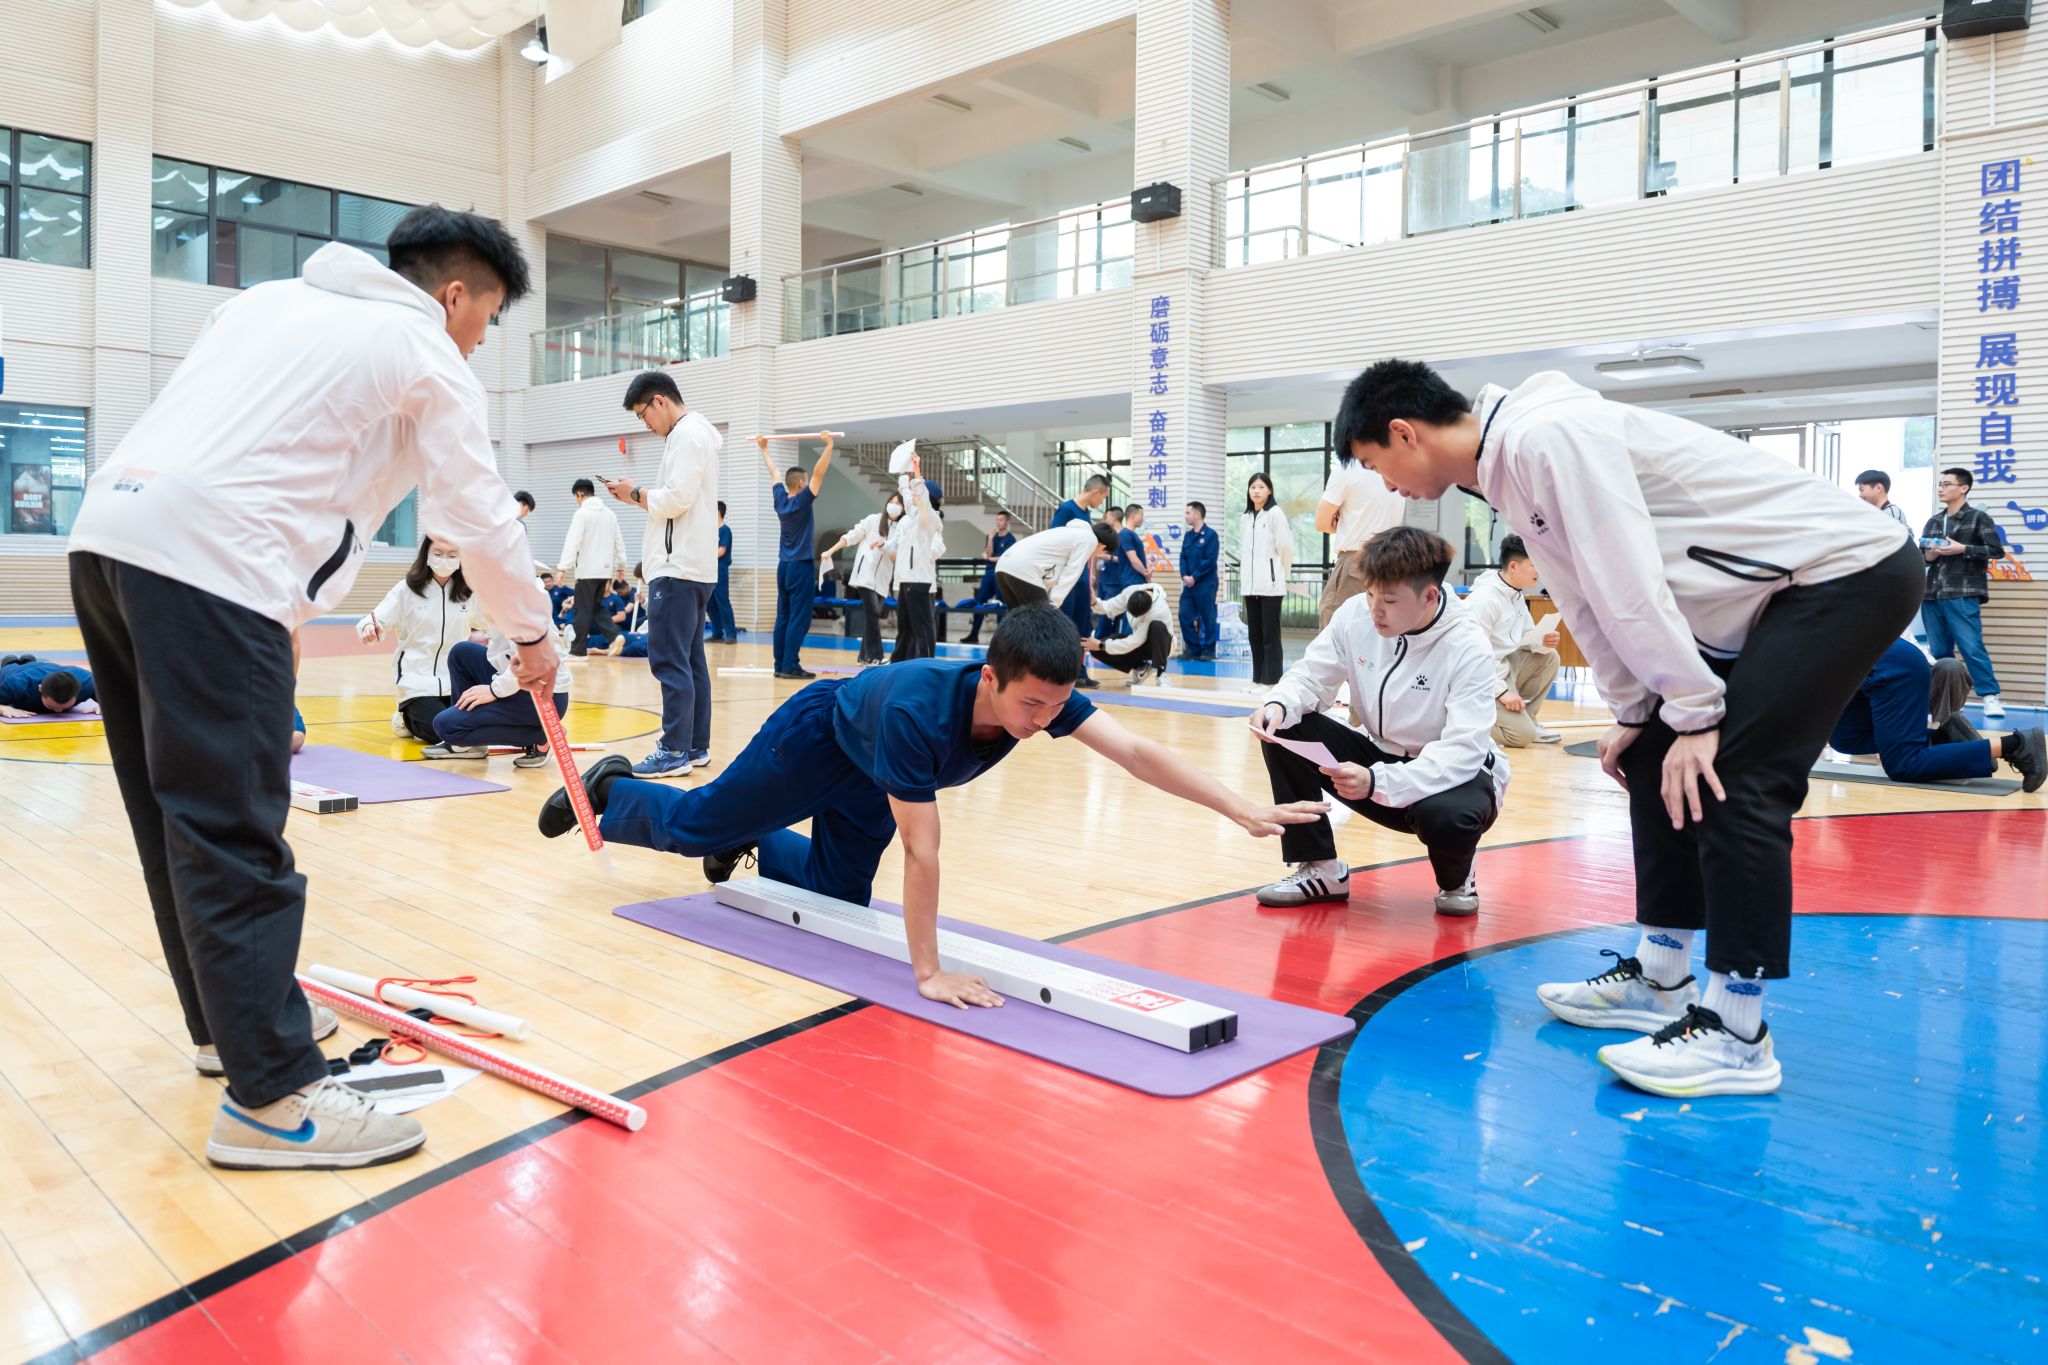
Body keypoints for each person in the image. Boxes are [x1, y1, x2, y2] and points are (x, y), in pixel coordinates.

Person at [65, 204, 557, 1169]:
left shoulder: (268, 303)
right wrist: (535, 636)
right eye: (489, 317)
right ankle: (275, 1096)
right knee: (235, 830)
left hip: (110, 539)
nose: (482, 338)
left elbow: (260, 454)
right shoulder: (423, 348)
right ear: (455, 294)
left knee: (176, 818)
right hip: (216, 563)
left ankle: (230, 1032)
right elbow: (477, 518)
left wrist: (284, 620)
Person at [1334, 359, 1920, 1099]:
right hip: (1773, 593)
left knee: (1734, 778)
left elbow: (1629, 584)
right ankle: (1663, 975)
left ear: (1403, 433)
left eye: (1373, 465)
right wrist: (1638, 713)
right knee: (1649, 754)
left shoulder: (1548, 437)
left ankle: (1738, 1033)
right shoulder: (1509, 467)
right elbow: (1584, 603)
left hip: (1848, 571)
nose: (1385, 487)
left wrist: (1695, 712)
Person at [538, 605, 1326, 1006]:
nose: (1043, 720)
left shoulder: (1043, 699)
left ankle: (748, 843)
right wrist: (929, 971)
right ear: (989, 676)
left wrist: (1239, 807)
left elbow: (1135, 751)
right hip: (817, 738)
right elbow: (923, 849)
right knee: (692, 825)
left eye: (1056, 706)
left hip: (870, 773)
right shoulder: (921, 713)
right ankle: (613, 791)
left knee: (838, 897)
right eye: (1031, 704)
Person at [1248, 527, 1507, 917]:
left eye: (1388, 600)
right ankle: (1321, 868)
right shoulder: (1355, 615)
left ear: (1429, 596)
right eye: (1370, 594)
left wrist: (1377, 781)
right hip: (1378, 759)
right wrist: (1279, 703)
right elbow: (1312, 675)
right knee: (1282, 727)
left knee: (1445, 817)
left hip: (1453, 774)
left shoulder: (1467, 645)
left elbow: (1462, 753)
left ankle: (1457, 879)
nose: (1375, 610)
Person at [612, 371, 720, 777]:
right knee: (690, 661)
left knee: (670, 660)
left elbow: (676, 500)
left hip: (677, 568)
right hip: (691, 567)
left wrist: (635, 493)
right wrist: (638, 496)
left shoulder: (688, 435)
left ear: (659, 401)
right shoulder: (692, 434)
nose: (645, 424)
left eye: (643, 415)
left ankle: (674, 748)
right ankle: (693, 746)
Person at [1829, 638, 2045, 791]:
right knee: (1846, 738)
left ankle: (2016, 745)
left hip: (1894, 669)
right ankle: (1945, 738)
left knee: (1903, 765)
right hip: (1870, 668)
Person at [357, 537, 474, 742]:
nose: (444, 560)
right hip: (417, 681)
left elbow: (494, 621)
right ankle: (404, 716)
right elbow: (375, 620)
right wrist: (369, 628)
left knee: (470, 726)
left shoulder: (469, 592)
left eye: (452, 555)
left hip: (455, 681)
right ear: (426, 553)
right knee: (438, 731)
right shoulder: (406, 589)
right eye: (438, 554)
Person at [425, 616, 572, 768]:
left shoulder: (520, 605)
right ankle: (466, 745)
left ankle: (543, 735)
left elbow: (530, 658)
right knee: (461, 653)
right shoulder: (497, 602)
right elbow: (473, 615)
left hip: (544, 696)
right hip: (516, 678)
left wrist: (493, 690)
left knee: (447, 726)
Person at [1921, 466, 2008, 720]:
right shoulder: (1934, 521)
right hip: (1932, 594)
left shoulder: (1978, 518)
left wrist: (1963, 549)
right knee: (1939, 653)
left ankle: (1990, 697)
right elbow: (1924, 557)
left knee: (1971, 647)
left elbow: (1996, 551)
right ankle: (1943, 703)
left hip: (1962, 592)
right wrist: (1931, 553)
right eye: (1939, 485)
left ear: (1963, 488)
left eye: (1946, 484)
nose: (1941, 489)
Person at [1463, 534, 1562, 748]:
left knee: (1550, 657)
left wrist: (1543, 641)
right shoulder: (1484, 600)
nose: (1539, 571)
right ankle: (1459, 723)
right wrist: (1501, 692)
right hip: (1480, 677)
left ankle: (1528, 719)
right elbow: (1471, 657)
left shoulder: (1515, 594)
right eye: (1534, 565)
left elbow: (1526, 638)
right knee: (1521, 736)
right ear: (1514, 567)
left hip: (1503, 667)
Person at [760, 433, 837, 680]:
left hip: (783, 566)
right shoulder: (803, 501)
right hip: (800, 565)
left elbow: (774, 473)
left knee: (783, 616)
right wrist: (829, 445)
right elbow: (819, 473)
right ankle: (790, 665)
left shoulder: (780, 501)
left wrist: (764, 449)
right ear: (802, 483)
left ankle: (780, 665)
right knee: (798, 618)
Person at [1316, 438, 1406, 627]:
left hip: (1356, 561)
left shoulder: (1347, 468)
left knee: (1335, 623)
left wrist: (1341, 521)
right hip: (1391, 560)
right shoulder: (1398, 469)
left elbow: (1321, 522)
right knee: (1378, 627)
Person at [822, 492, 899, 666]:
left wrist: (885, 547)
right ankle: (875, 656)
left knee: (871, 618)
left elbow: (896, 556)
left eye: (898, 503)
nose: (894, 506)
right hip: (865, 575)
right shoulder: (873, 520)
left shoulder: (901, 529)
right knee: (873, 614)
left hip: (883, 580)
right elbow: (851, 536)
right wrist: (831, 551)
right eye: (892, 502)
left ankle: (863, 656)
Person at [1052, 474, 1113, 687]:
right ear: (1095, 492)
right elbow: (1054, 542)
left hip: (1082, 579)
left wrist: (1090, 580)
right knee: (1065, 626)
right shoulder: (1067, 510)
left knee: (1083, 627)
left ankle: (1080, 672)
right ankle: (1062, 672)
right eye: (1102, 497)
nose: (1101, 502)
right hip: (1067, 580)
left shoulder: (1086, 515)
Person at [557, 476, 628, 656]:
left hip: (586, 571)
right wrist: (621, 565)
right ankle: (614, 636)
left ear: (580, 494)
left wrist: (562, 568)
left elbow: (573, 542)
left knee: (582, 609)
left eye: (576, 497)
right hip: (605, 571)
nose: (576, 501)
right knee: (594, 606)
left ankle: (578, 651)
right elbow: (619, 542)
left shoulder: (582, 513)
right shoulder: (610, 514)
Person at [887, 454, 946, 662]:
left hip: (918, 580)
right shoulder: (913, 514)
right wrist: (905, 471)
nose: (912, 494)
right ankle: (900, 663)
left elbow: (920, 497)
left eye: (917, 491)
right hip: (906, 580)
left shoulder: (930, 517)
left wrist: (918, 470)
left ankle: (926, 665)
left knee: (922, 629)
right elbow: (906, 493)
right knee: (905, 627)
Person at [1240, 472, 1292, 687]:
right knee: (1255, 636)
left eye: (1261, 487)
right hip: (1250, 587)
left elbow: (1285, 546)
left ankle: (1272, 682)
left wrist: (1280, 575)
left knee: (1270, 637)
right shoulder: (1246, 518)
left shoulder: (1275, 514)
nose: (1256, 491)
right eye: (1253, 487)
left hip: (1270, 585)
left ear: (1269, 490)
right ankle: (1257, 680)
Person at [1086, 585, 1177, 685]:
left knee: (1157, 626)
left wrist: (1102, 645)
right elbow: (1109, 607)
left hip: (1163, 646)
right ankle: (1141, 668)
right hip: (1140, 642)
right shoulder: (1130, 592)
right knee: (1096, 650)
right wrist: (1094, 602)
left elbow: (1134, 641)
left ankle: (1161, 673)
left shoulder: (1158, 611)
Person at [962, 510, 1016, 645]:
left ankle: (1001, 639)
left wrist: (989, 558)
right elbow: (988, 552)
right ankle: (974, 634)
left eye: (1001, 520)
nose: (999, 522)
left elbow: (1002, 558)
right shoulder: (991, 536)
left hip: (1001, 574)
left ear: (1007, 522)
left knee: (1000, 605)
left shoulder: (1011, 539)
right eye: (997, 520)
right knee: (979, 603)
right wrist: (991, 539)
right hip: (989, 574)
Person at [1179, 501, 1220, 662]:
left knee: (1207, 616)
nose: (1186, 516)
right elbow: (1183, 557)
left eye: (1188, 513)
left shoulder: (1211, 535)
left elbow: (1210, 560)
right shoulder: (1188, 536)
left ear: (1197, 514)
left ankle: (1208, 650)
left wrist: (1194, 577)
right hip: (1189, 584)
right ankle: (1193, 649)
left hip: (1206, 583)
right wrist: (1184, 575)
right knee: (1184, 614)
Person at [0, 656, 96, 716]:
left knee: (36, 664)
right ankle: (11, 661)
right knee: (10, 666)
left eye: (65, 707)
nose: (58, 711)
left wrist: (102, 705)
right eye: (51, 706)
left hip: (44, 667)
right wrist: (3, 709)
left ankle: (29, 660)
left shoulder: (88, 683)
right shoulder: (16, 684)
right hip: (15, 671)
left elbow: (105, 695)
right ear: (40, 689)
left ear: (78, 691)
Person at [706, 502, 739, 643]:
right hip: (709, 570)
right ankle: (717, 633)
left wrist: (705, 555)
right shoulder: (711, 531)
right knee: (709, 603)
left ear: (718, 512)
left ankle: (731, 634)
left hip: (720, 570)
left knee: (722, 601)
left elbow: (721, 551)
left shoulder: (725, 530)